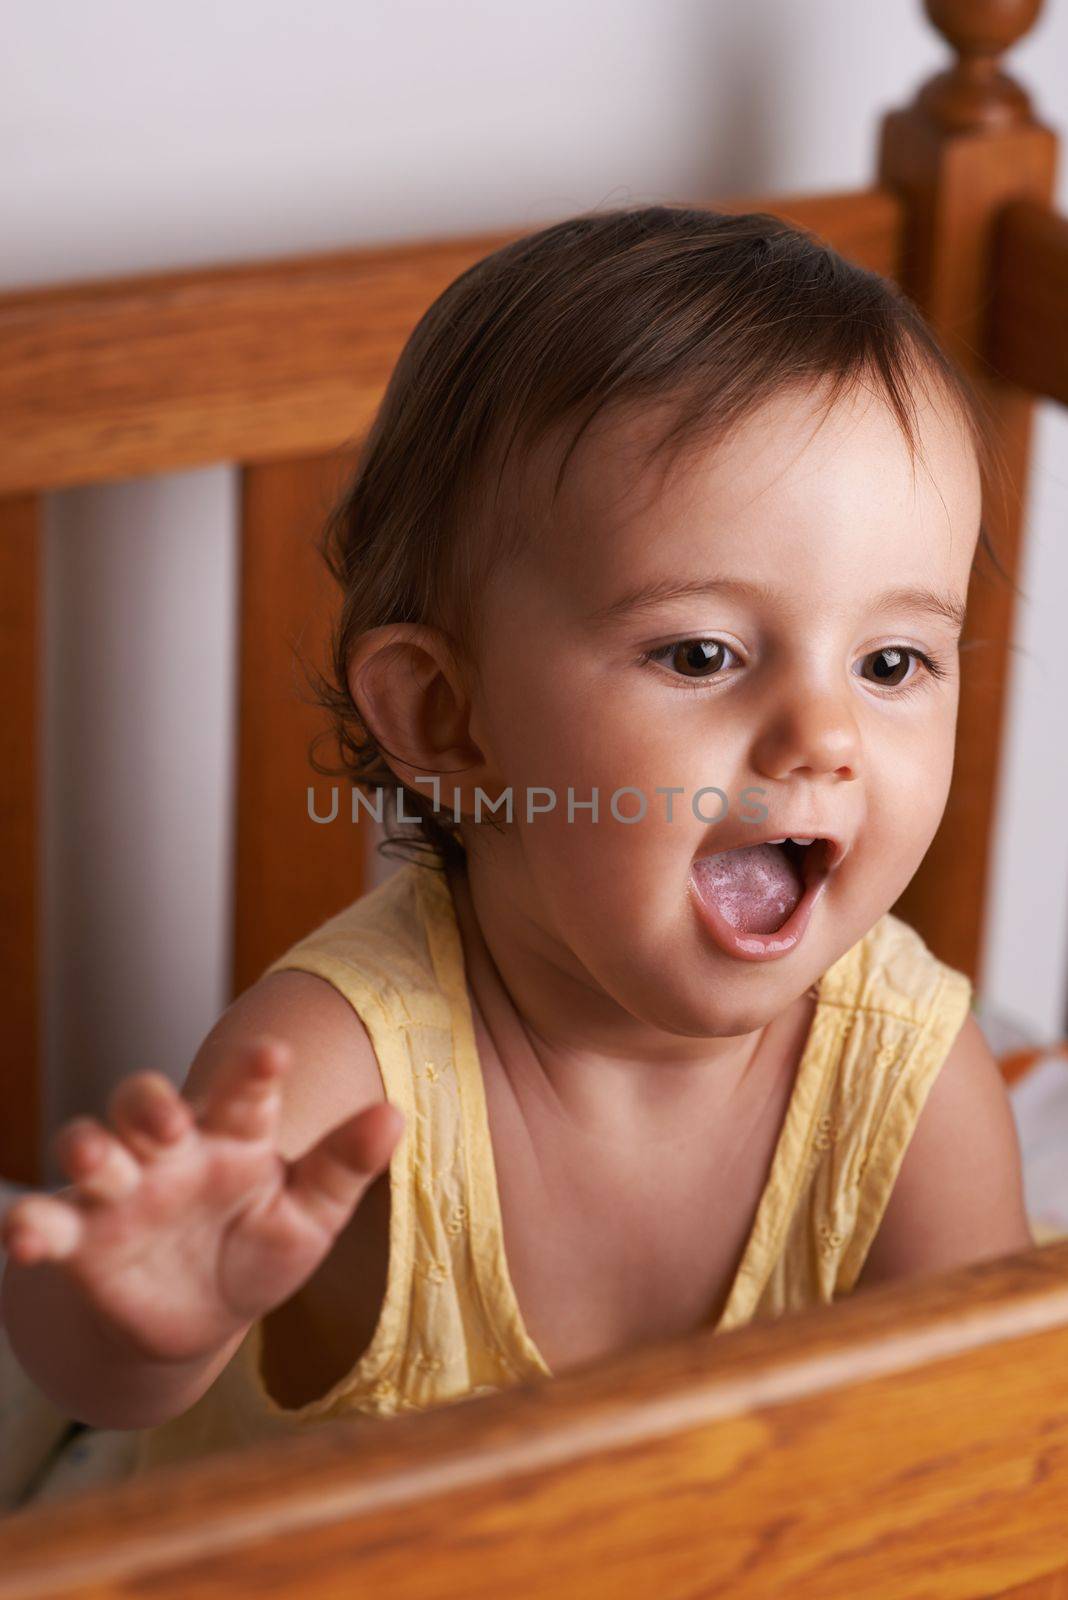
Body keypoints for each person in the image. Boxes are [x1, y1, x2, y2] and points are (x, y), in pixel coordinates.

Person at [0, 205, 1035, 1475]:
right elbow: (102, 1371)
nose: (823, 735)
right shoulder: (339, 1062)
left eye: (892, 661)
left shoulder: (915, 1084)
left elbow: (980, 1465)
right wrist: (136, 1315)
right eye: (701, 653)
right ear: (450, 716)